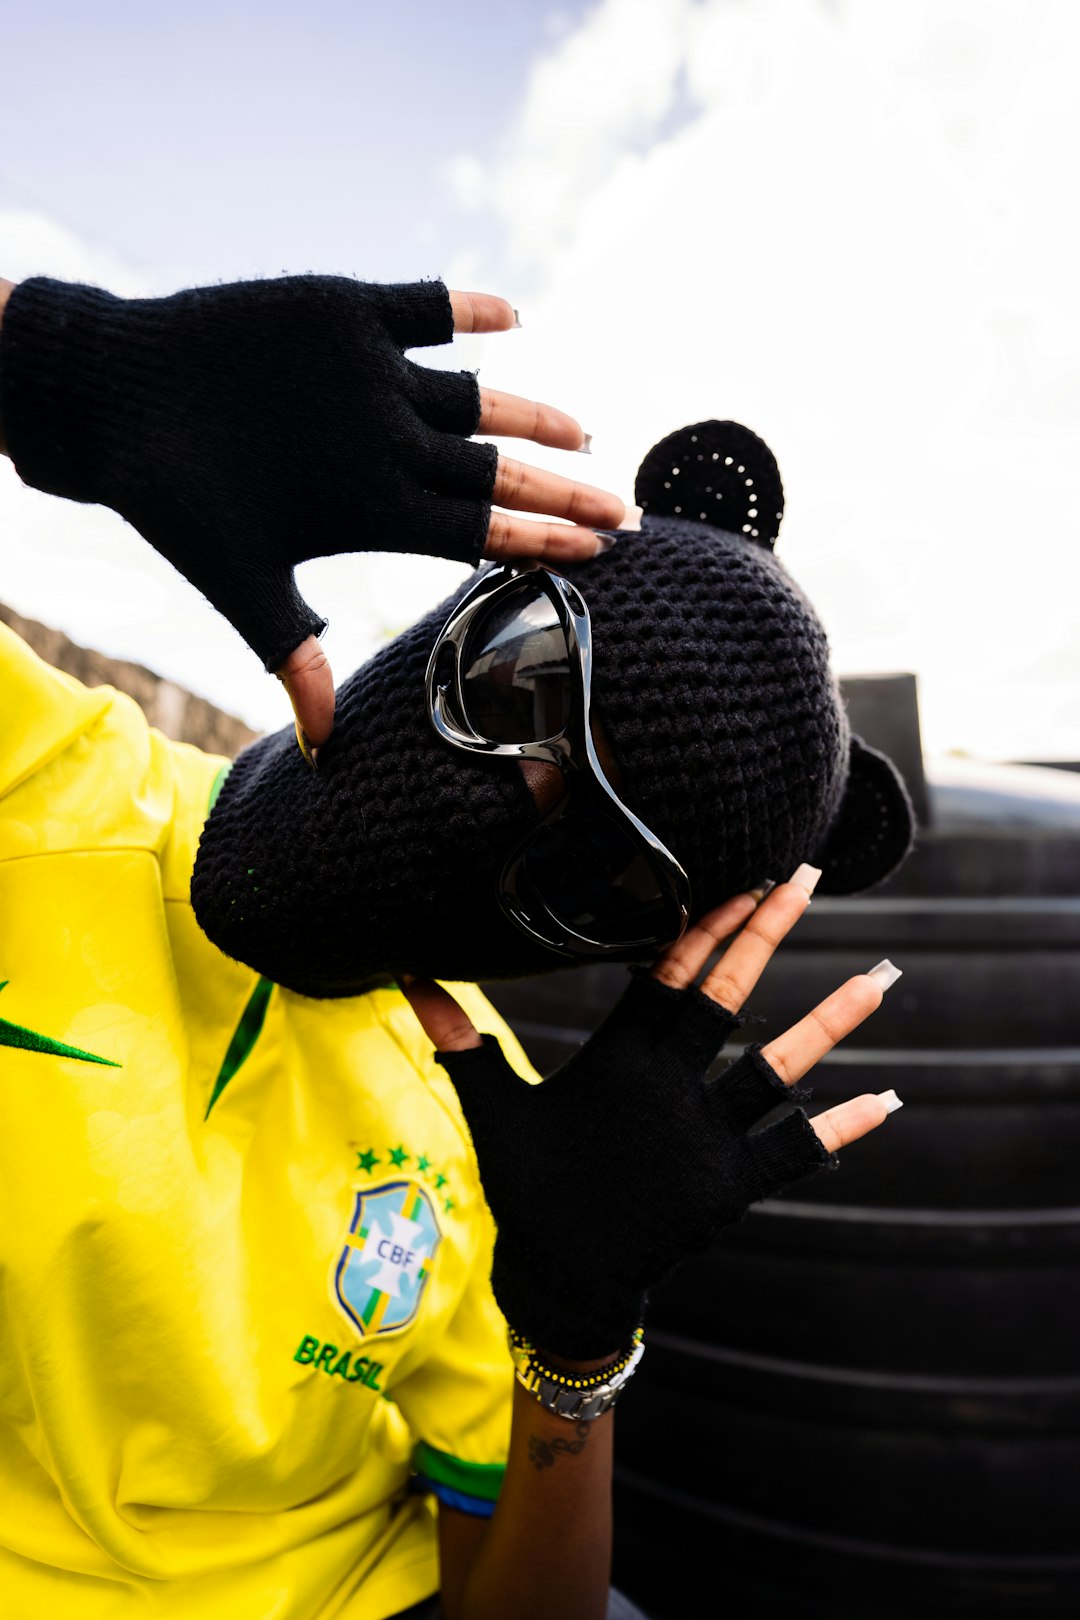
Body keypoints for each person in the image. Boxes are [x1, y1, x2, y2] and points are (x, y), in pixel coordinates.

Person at [0, 272, 915, 1620]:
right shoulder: (46, 784)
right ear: (475, 597)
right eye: (523, 685)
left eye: (593, 867)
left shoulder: (491, 1129)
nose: (494, 799)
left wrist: (575, 1349)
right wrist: (54, 354)